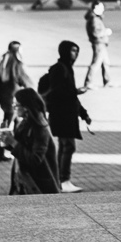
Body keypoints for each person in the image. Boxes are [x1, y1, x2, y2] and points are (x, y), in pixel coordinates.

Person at [38, 39, 92, 190]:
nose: (75, 54)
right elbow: (58, 92)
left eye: (77, 51)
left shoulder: (66, 68)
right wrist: (76, 91)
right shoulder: (60, 69)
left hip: (66, 113)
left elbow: (71, 95)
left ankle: (59, 179)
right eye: (72, 51)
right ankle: (63, 180)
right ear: (64, 51)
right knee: (68, 146)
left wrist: (83, 114)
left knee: (65, 146)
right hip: (61, 114)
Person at [8, 87, 60, 196]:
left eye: (16, 105)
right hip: (24, 180)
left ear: (26, 107)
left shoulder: (40, 128)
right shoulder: (24, 122)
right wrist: (7, 141)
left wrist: (13, 143)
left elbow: (35, 159)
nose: (14, 108)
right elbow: (22, 148)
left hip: (38, 184)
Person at [0, 40, 33, 159]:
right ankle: (0, 153)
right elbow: (26, 81)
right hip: (13, 99)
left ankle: (14, 149)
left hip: (3, 98)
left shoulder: (3, 62)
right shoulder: (17, 64)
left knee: (17, 123)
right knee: (7, 124)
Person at [82, 2, 114, 88]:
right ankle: (88, 82)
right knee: (96, 63)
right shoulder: (94, 19)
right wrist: (105, 32)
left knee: (105, 62)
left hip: (100, 43)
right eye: (101, 7)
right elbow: (96, 33)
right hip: (99, 43)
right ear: (95, 8)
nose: (103, 9)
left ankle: (107, 81)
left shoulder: (95, 18)